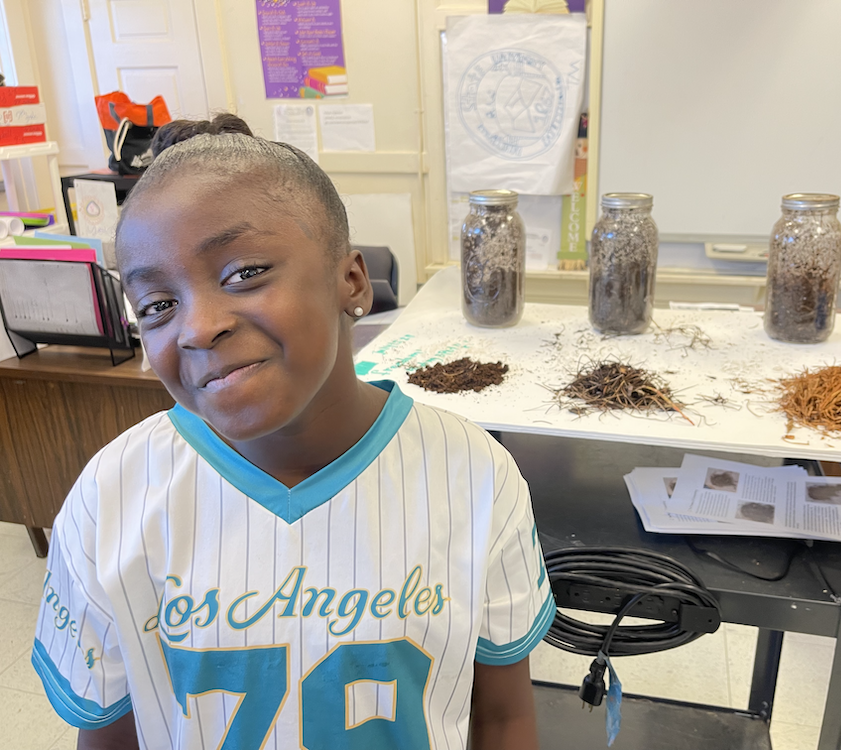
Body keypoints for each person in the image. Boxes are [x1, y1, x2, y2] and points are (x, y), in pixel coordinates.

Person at [32, 115, 554, 749]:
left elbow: (502, 717)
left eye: (244, 273)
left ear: (351, 280)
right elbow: (111, 737)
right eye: (158, 306)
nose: (197, 327)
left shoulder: (474, 476)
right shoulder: (110, 499)